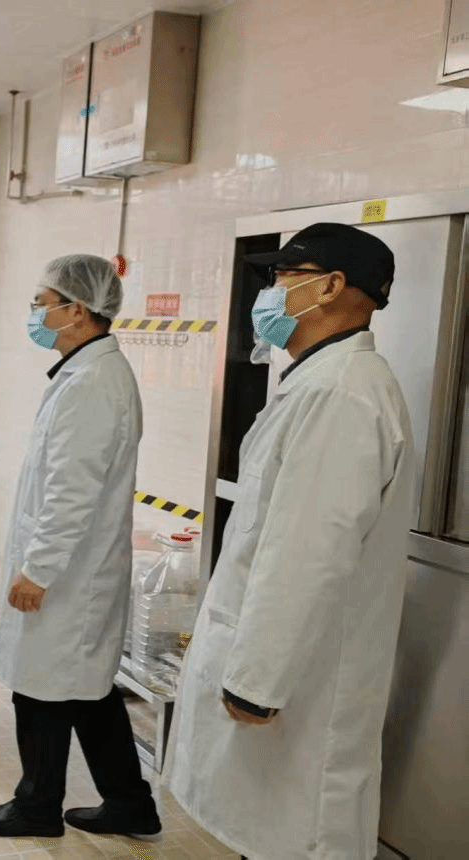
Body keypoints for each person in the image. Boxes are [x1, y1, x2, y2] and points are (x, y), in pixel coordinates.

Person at [167, 223, 414, 860]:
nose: (269, 294)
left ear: (330, 287)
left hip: (304, 681)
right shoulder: (320, 381)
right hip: (292, 667)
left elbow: (307, 554)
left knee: (301, 833)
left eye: (283, 278)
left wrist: (258, 682)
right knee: (274, 831)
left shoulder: (341, 394)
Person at [0, 255, 161, 841]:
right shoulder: (86, 375)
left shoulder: (94, 384)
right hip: (79, 568)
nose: (34, 312)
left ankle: (37, 806)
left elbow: (71, 493)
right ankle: (130, 803)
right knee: (87, 691)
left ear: (76, 311)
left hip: (71, 573)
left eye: (41, 302)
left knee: (44, 689)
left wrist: (38, 569)